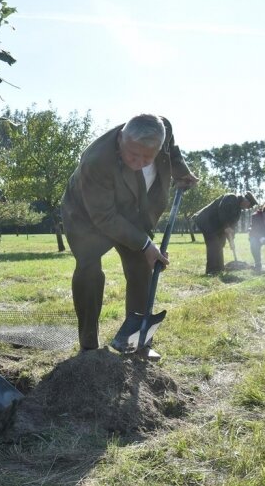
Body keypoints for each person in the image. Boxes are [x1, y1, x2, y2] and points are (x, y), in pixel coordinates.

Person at [61, 114, 198, 351]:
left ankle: (137, 340)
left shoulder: (162, 127)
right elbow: (105, 217)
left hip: (131, 208)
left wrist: (180, 171)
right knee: (89, 270)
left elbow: (171, 150)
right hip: (86, 215)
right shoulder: (96, 160)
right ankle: (89, 345)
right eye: (132, 154)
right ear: (121, 137)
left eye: (147, 157)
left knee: (141, 268)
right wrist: (146, 244)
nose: (138, 162)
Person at [193, 192, 258, 274]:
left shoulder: (238, 211)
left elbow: (232, 227)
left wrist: (231, 241)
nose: (246, 208)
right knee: (214, 244)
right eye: (248, 206)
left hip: (218, 226)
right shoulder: (231, 197)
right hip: (207, 221)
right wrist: (226, 226)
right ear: (246, 201)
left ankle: (220, 268)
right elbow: (222, 211)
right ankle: (211, 270)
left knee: (221, 243)